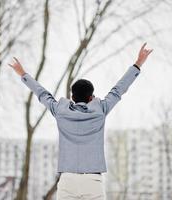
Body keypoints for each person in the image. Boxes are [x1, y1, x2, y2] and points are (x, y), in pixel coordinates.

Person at [8, 43, 153, 200]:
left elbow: (42, 94)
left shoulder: (60, 111)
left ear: (72, 97)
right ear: (91, 97)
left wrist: (22, 73)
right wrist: (138, 63)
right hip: (93, 181)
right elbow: (118, 90)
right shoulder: (100, 111)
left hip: (67, 181)